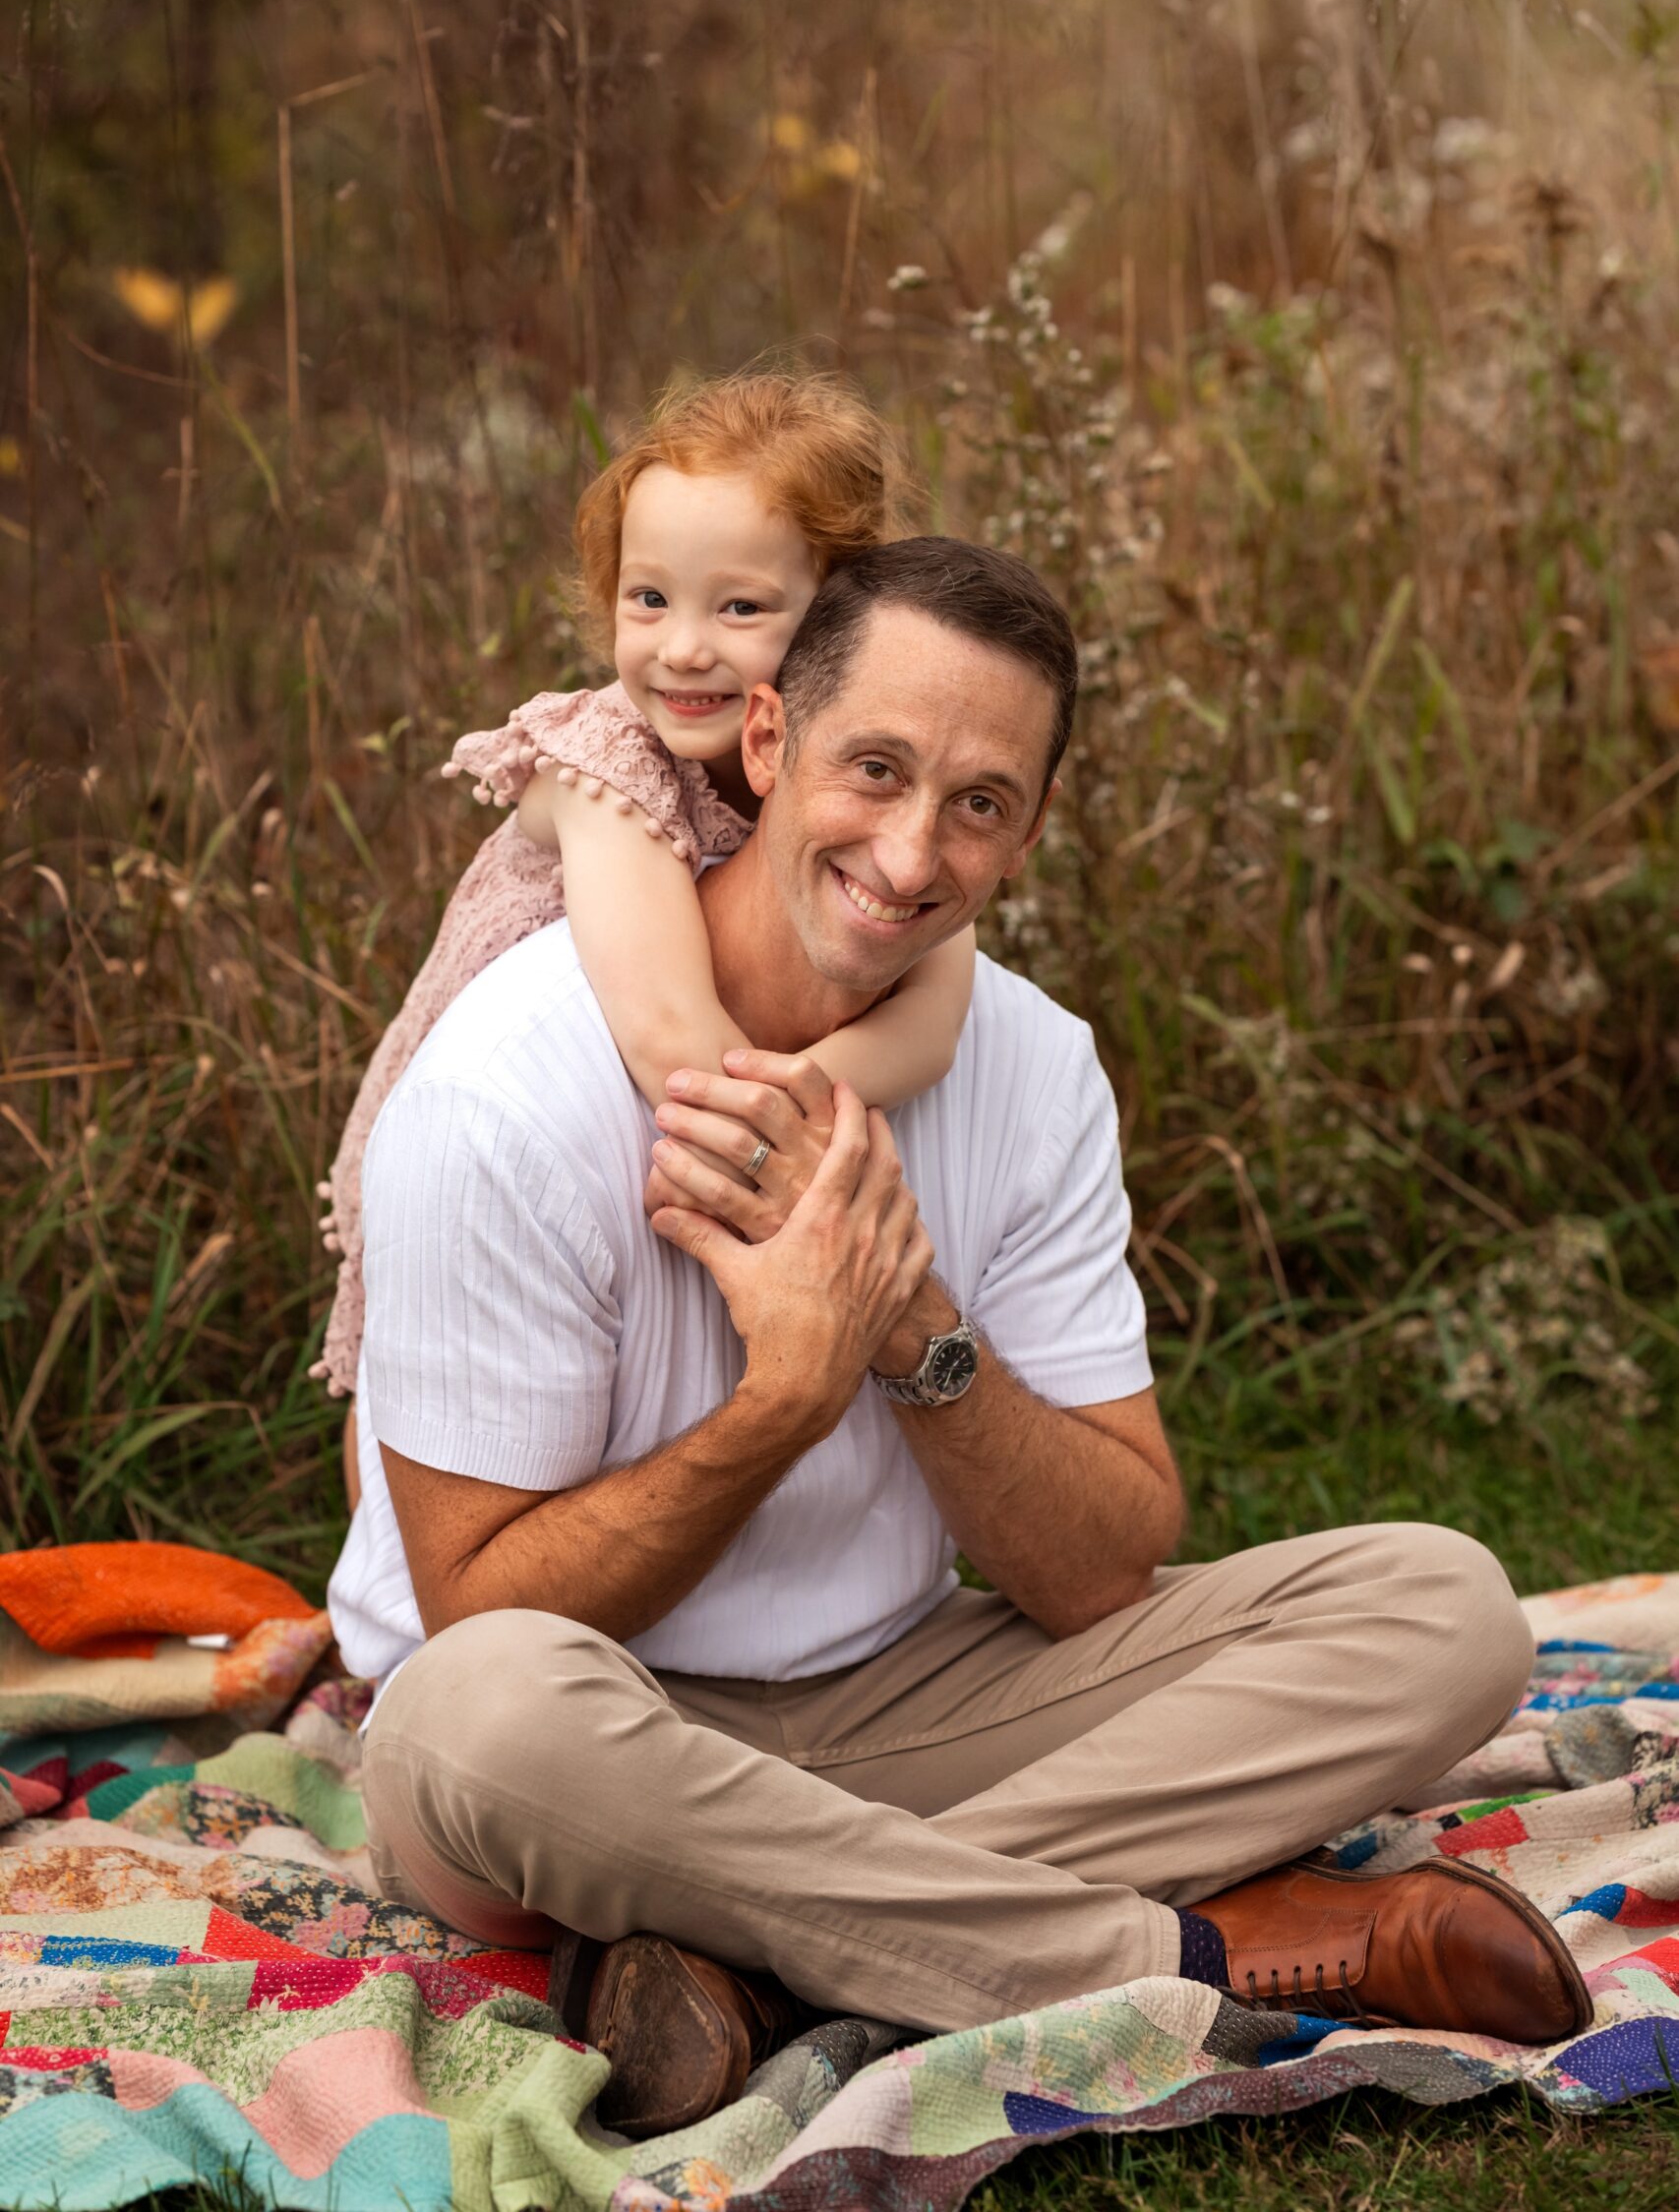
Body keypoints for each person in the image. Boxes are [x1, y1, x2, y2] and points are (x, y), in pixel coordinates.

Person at [328, 537, 1589, 2143]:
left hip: (891, 1707)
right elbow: (477, 1608)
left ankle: (769, 1963)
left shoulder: (1036, 1070)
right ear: (768, 741)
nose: (913, 854)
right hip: (583, 1754)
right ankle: (1200, 1959)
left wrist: (909, 1328)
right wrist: (782, 1396)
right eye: (875, 770)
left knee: (1444, 1609)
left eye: (979, 804)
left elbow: (1095, 1569)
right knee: (474, 1710)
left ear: (1030, 830)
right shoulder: (503, 1093)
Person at [309, 369, 973, 1501]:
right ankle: (388, 1626)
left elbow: (937, 1004)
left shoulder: (839, 781)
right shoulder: (602, 769)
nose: (682, 650)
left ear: (843, 618)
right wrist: (796, 1126)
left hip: (674, 1126)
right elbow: (677, 1046)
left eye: (741, 608)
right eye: (649, 599)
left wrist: (789, 1101)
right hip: (482, 1138)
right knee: (419, 1409)